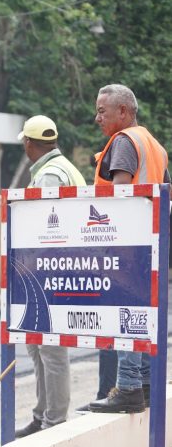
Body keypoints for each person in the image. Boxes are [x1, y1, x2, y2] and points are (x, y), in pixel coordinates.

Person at [88, 84, 169, 414]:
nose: (97, 118)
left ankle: (129, 386)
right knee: (141, 316)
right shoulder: (154, 145)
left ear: (123, 112)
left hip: (124, 244)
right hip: (149, 243)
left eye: (102, 111)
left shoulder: (123, 142)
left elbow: (120, 197)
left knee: (123, 318)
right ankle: (146, 385)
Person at [14, 115, 86, 438]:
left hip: (50, 274)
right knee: (38, 346)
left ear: (29, 144)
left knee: (51, 350)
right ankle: (42, 414)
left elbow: (48, 231)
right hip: (52, 273)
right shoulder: (62, 168)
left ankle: (53, 422)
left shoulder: (50, 176)